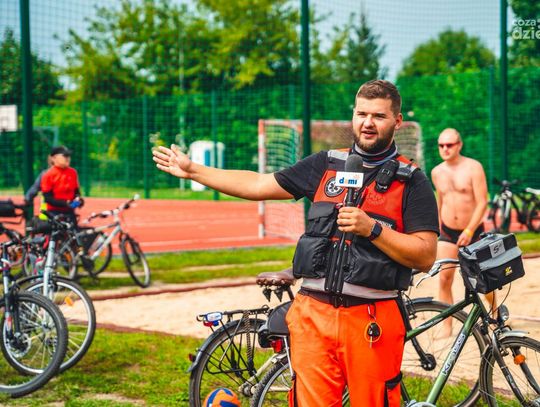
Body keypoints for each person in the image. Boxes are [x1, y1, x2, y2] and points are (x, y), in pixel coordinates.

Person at [153, 79, 438, 407]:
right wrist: (194, 171)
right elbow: (258, 184)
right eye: (362, 114)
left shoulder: (411, 180)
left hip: (372, 319)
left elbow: (425, 255)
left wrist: (373, 229)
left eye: (379, 116)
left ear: (397, 121)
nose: (368, 123)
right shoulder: (326, 164)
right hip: (312, 315)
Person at [431, 128, 505, 332]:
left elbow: (482, 202)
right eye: (441, 145)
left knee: (482, 280)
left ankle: (495, 313)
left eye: (449, 145)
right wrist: (436, 227)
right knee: (444, 278)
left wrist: (470, 230)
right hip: (448, 231)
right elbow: (441, 200)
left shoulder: (473, 167)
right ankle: (447, 326)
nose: (445, 149)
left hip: (473, 230)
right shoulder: (436, 171)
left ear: (459, 145)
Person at [40, 145, 84, 226]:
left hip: (70, 212)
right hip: (54, 213)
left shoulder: (73, 172)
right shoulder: (48, 175)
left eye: (68, 156)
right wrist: (65, 203)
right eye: (65, 156)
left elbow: (76, 192)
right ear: (54, 158)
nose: (68, 158)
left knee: (74, 233)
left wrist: (79, 199)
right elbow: (48, 198)